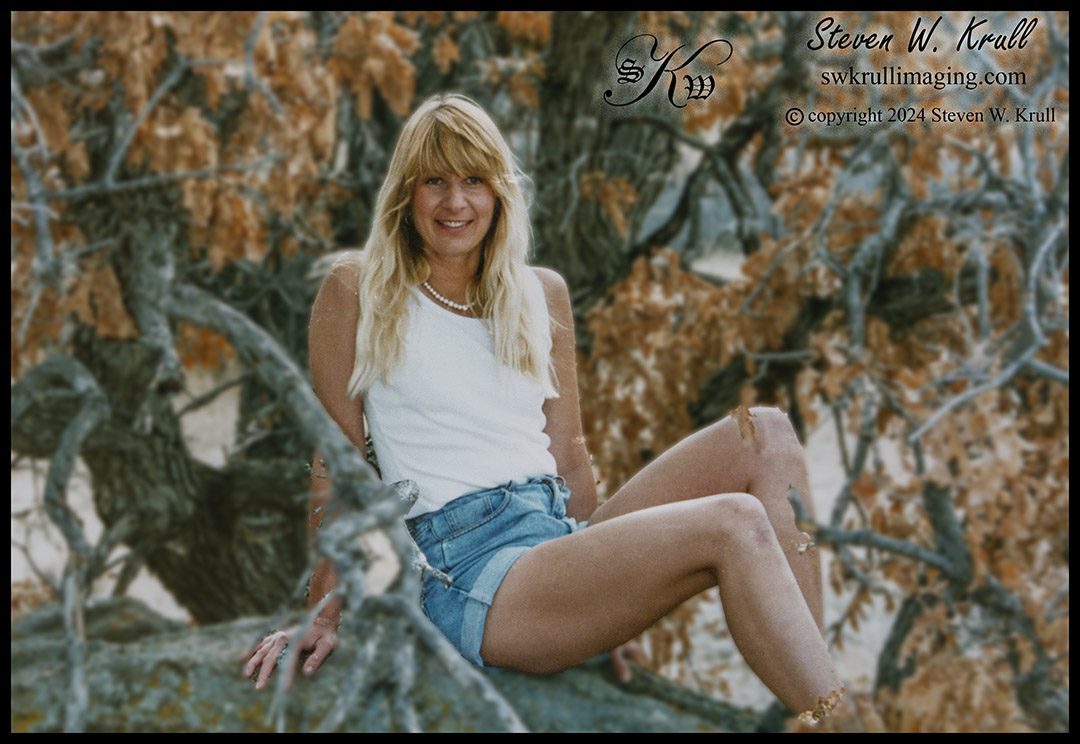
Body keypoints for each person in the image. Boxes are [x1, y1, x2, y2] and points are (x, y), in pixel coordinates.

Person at [245, 93, 844, 719]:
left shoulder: (541, 293)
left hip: (554, 541)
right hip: (468, 570)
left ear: (499, 191)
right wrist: (324, 610)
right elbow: (333, 464)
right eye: (434, 182)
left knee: (766, 432)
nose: (456, 202)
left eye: (474, 179)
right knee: (734, 522)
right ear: (407, 193)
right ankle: (841, 722)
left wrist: (602, 599)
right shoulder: (358, 288)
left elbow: (569, 457)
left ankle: (814, 686)